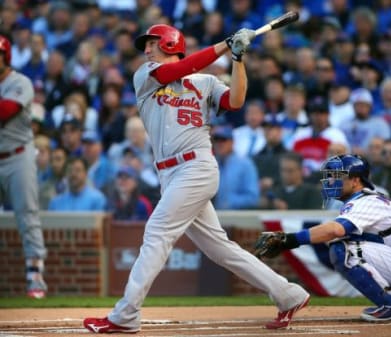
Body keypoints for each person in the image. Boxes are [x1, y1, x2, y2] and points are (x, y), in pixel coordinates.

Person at [83, 24, 309, 333]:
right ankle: (289, 294)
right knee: (219, 248)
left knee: (157, 232)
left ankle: (126, 315)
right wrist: (224, 46)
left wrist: (238, 58)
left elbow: (237, 101)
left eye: (151, 43)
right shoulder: (146, 75)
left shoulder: (205, 81)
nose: (146, 50)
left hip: (197, 168)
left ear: (170, 42)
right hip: (170, 173)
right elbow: (176, 70)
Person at [254, 154, 391, 321]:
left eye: (337, 177)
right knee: (354, 244)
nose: (330, 181)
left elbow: (335, 230)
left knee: (343, 248)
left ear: (355, 180)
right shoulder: (369, 198)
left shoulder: (364, 201)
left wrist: (289, 240)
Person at [0, 35, 48, 299]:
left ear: (5, 57)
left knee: (27, 215)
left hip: (18, 157)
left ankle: (35, 277)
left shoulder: (20, 82)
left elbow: (5, 110)